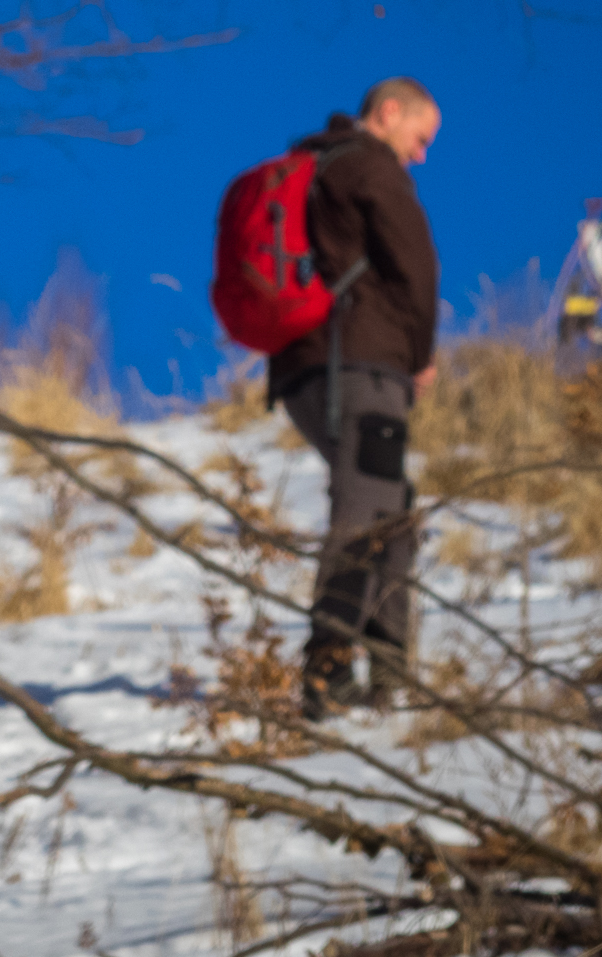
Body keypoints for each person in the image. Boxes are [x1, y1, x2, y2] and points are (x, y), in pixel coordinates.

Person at [267, 78, 441, 721]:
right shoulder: (371, 167)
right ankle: (327, 671)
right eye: (420, 139)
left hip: (302, 371)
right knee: (369, 506)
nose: (421, 156)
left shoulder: (312, 167)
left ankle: (390, 672)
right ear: (389, 114)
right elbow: (417, 266)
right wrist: (419, 357)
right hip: (363, 365)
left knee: (391, 503)